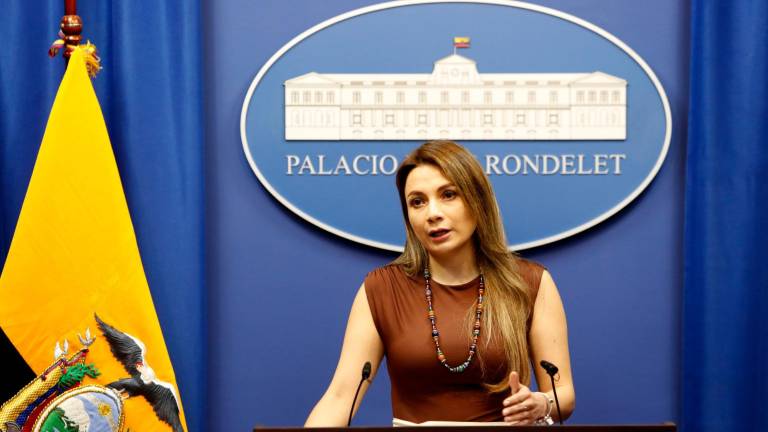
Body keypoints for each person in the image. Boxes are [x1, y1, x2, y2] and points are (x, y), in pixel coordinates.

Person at [305, 141, 574, 426]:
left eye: (448, 195)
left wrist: (542, 403)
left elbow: (564, 394)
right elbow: (340, 397)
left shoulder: (530, 283)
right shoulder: (382, 289)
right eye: (417, 202)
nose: (432, 213)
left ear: (477, 200)